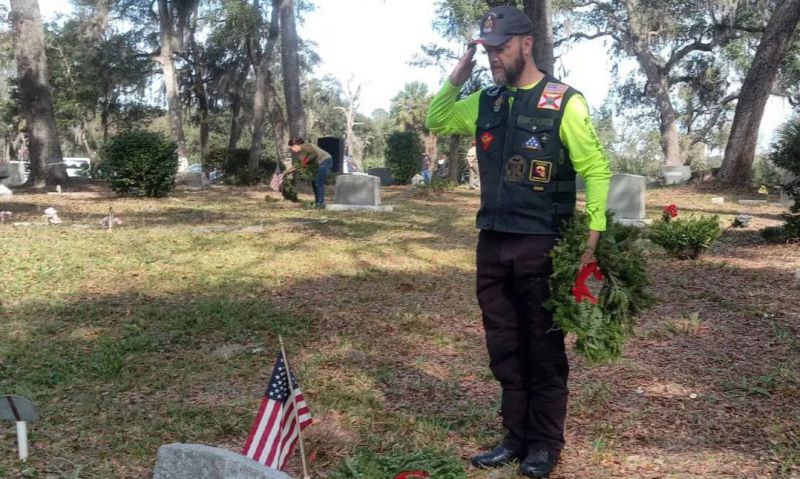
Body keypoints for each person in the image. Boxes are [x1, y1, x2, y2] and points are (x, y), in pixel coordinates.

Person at [425, 5, 611, 478]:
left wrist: (592, 239)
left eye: (500, 48)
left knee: (542, 347)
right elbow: (438, 116)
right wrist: (461, 69)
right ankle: (515, 437)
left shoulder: (563, 101)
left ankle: (546, 444)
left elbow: (595, 169)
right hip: (492, 242)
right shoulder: (487, 101)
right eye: (487, 50)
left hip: (542, 243)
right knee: (504, 344)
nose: (493, 57)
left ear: (527, 44)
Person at [288, 138, 332, 208]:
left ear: (295, 146)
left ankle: (320, 204)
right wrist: (286, 173)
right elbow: (297, 165)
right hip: (319, 164)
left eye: (291, 148)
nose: (292, 151)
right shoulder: (301, 152)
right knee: (314, 182)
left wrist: (306, 161)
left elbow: (314, 154)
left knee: (318, 182)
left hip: (325, 160)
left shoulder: (304, 146)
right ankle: (318, 202)